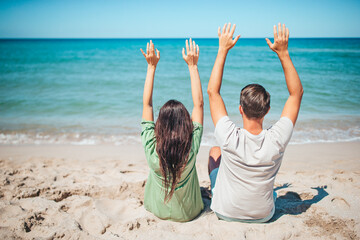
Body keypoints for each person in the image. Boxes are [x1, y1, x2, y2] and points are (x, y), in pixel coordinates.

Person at [207, 23, 303, 223]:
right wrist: (283, 53)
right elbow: (296, 94)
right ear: (267, 110)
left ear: (240, 109)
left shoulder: (229, 136)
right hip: (264, 216)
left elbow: (213, 92)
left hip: (224, 212)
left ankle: (218, 191)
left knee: (215, 152)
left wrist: (222, 50)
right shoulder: (277, 139)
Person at [140, 39, 204, 222]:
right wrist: (193, 66)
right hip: (189, 214)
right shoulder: (191, 147)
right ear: (187, 126)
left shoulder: (152, 150)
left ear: (159, 125)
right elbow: (198, 105)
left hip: (156, 210)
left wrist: (151, 67)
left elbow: (147, 104)